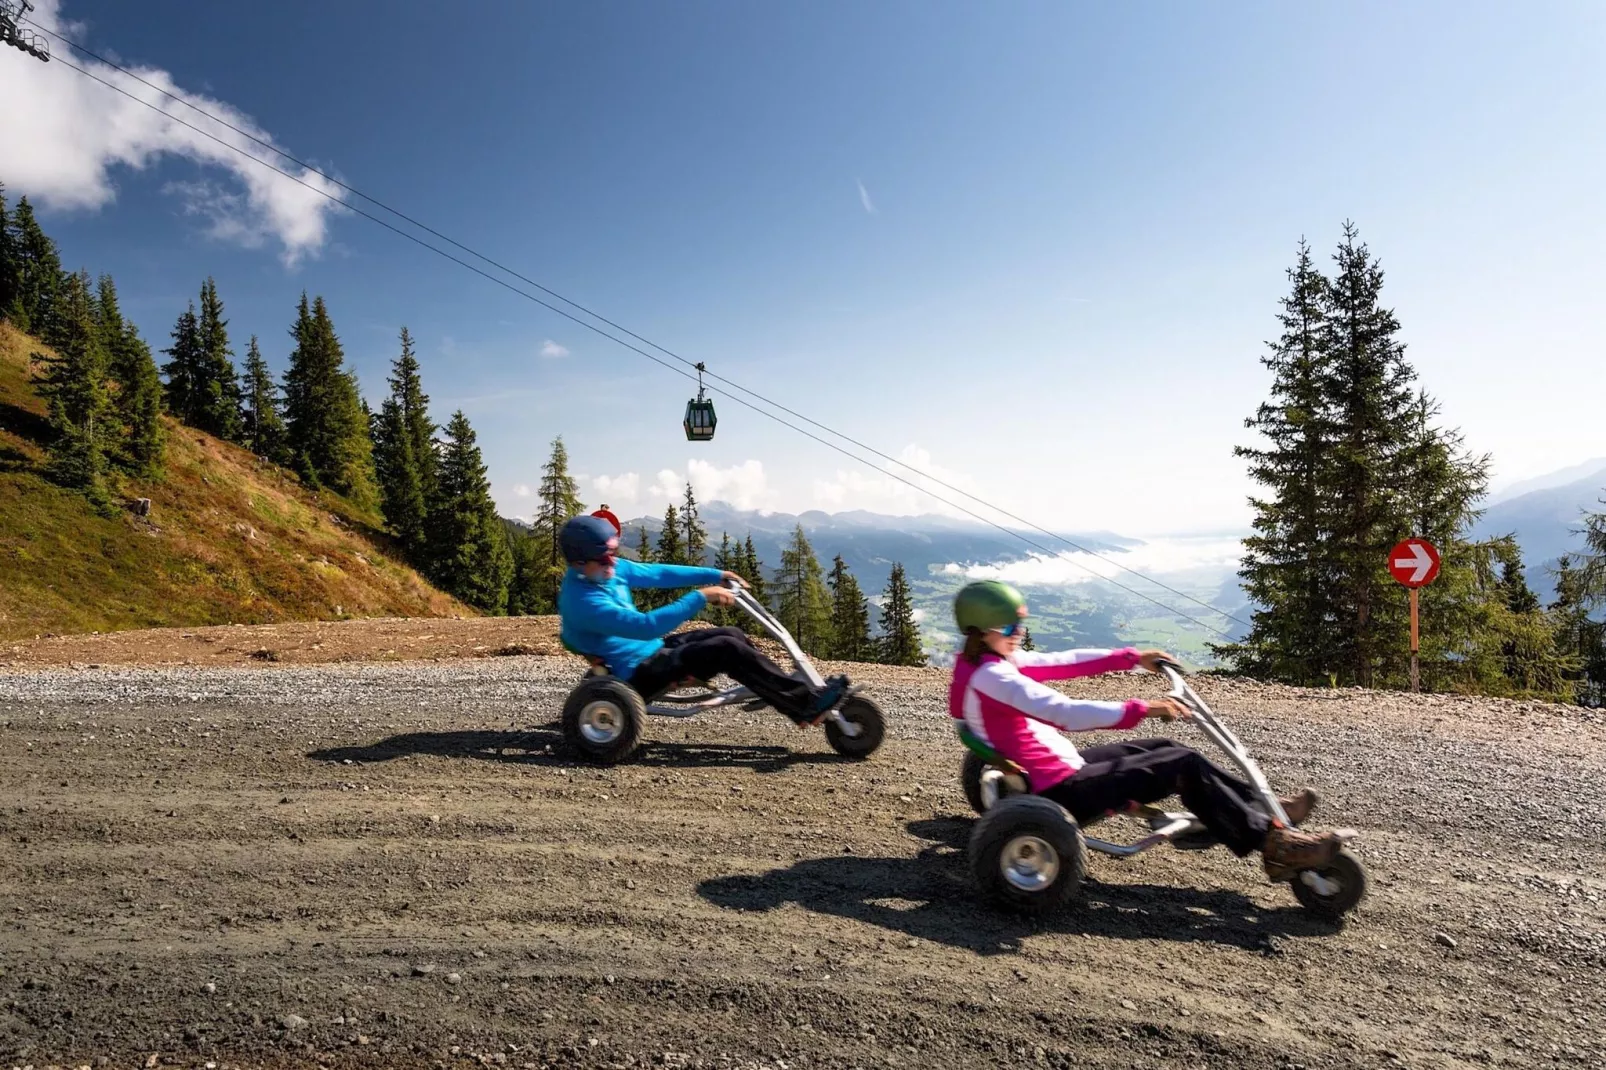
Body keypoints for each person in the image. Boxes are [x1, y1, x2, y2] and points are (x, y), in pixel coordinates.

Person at [949, 579, 1343, 876]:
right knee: (1181, 764)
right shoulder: (994, 678)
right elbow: (1063, 712)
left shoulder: (991, 663)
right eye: (1007, 629)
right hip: (1060, 790)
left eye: (1019, 626)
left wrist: (1133, 657)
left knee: (1166, 745)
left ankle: (1259, 810)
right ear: (979, 633)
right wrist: (1142, 708)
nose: (1017, 635)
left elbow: (1064, 660)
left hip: (1060, 767)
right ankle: (1273, 845)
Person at [557, 515, 851, 726]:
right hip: (638, 672)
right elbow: (646, 626)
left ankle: (783, 689)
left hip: (652, 649)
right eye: (604, 557)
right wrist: (700, 597)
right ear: (579, 563)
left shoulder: (609, 570)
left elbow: (658, 574)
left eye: (613, 553)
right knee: (727, 648)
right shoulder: (583, 602)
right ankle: (805, 706)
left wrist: (715, 575)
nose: (612, 562)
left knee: (730, 633)